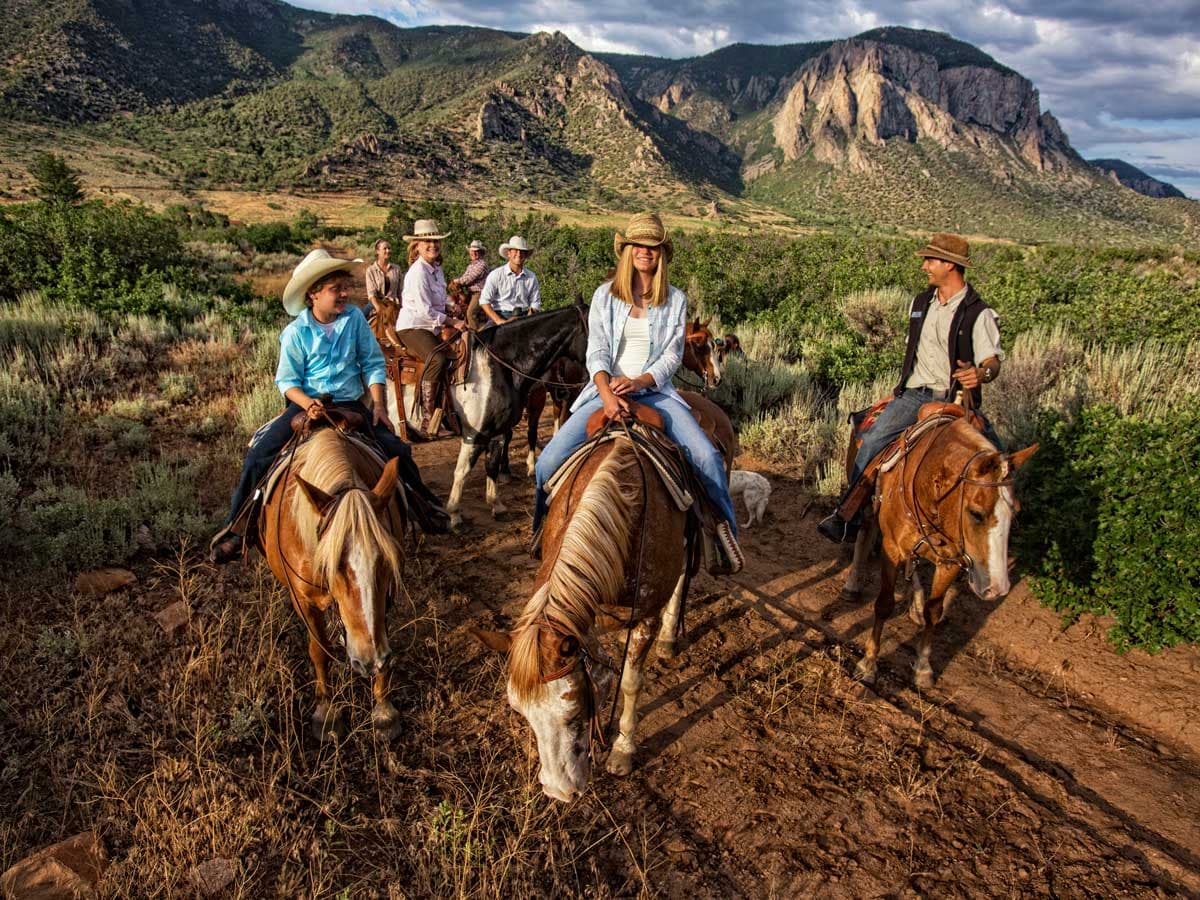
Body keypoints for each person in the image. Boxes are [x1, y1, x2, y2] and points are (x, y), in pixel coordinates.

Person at [532, 213, 744, 573]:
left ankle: (724, 536)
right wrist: (607, 391)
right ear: (627, 251)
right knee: (546, 462)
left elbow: (672, 355)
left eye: (653, 246)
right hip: (605, 390)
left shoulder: (674, 300)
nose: (645, 252)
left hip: (655, 392)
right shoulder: (605, 296)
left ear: (661, 254)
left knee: (707, 459)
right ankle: (542, 533)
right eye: (638, 245)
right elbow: (596, 349)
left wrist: (641, 382)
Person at [208, 249, 449, 563]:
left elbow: (373, 364)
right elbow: (287, 381)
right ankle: (236, 528)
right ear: (314, 294)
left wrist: (378, 405)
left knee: (398, 450)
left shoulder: (354, 321)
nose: (345, 294)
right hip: (306, 406)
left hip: (349, 404)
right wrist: (308, 404)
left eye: (344, 287)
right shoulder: (295, 332)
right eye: (336, 289)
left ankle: (424, 507)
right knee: (258, 456)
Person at [818, 233, 1004, 543]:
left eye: (930, 260)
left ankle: (992, 529)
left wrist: (981, 374)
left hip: (955, 398)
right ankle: (849, 516)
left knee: (999, 464)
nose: (924, 266)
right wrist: (898, 389)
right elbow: (913, 351)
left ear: (950, 265)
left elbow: (992, 360)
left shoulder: (978, 313)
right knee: (874, 439)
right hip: (915, 395)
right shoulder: (920, 303)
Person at [394, 219, 468, 438]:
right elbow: (425, 311)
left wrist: (452, 308)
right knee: (438, 359)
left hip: (431, 325)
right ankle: (428, 419)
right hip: (413, 327)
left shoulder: (436, 269)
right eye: (427, 241)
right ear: (417, 245)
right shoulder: (417, 273)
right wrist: (453, 322)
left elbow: (439, 300)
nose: (432, 245)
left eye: (435, 241)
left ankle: (448, 410)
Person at [478, 235, 541, 325]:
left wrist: (528, 319)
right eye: (515, 250)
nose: (519, 254)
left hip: (524, 317)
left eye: (522, 251)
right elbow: (484, 301)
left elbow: (535, 303)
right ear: (509, 253)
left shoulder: (531, 277)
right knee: (480, 337)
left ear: (525, 255)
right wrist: (498, 320)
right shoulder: (496, 274)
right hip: (500, 316)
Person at [449, 239, 489, 326]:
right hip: (471, 292)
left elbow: (469, 279)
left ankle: (475, 336)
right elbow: (464, 276)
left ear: (480, 252)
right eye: (472, 251)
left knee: (471, 313)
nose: (474, 253)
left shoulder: (482, 265)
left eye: (476, 251)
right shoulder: (470, 266)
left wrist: (455, 281)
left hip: (479, 293)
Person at [364, 238, 402, 322]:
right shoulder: (371, 270)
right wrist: (378, 307)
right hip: (376, 303)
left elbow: (400, 291)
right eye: (385, 248)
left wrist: (402, 306)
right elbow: (371, 294)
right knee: (360, 319)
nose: (388, 251)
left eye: (389, 248)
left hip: (393, 304)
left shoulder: (396, 269)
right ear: (377, 251)